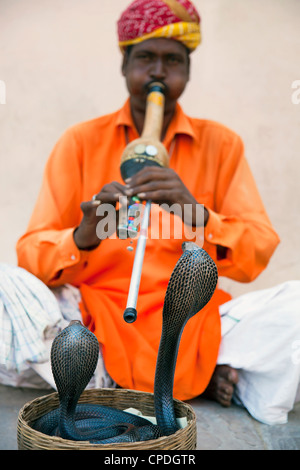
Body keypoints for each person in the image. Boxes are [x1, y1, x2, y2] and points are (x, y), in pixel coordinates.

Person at [1, 0, 300, 425]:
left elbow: (258, 250)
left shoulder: (221, 144)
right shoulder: (80, 141)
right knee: (5, 289)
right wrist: (84, 234)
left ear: (188, 71)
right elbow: (30, 253)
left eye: (173, 61)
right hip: (96, 319)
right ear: (124, 66)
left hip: (196, 323)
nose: (158, 72)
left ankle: (111, 382)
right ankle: (138, 376)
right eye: (145, 58)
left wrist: (197, 213)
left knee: (295, 307)